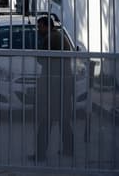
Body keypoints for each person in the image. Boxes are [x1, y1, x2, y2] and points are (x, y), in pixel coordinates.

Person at [34, 16, 74, 162]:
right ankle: (69, 149)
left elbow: (41, 59)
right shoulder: (59, 36)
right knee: (63, 119)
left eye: (40, 27)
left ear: (45, 26)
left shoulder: (50, 38)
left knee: (46, 119)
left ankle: (40, 154)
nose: (38, 30)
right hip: (62, 83)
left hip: (54, 85)